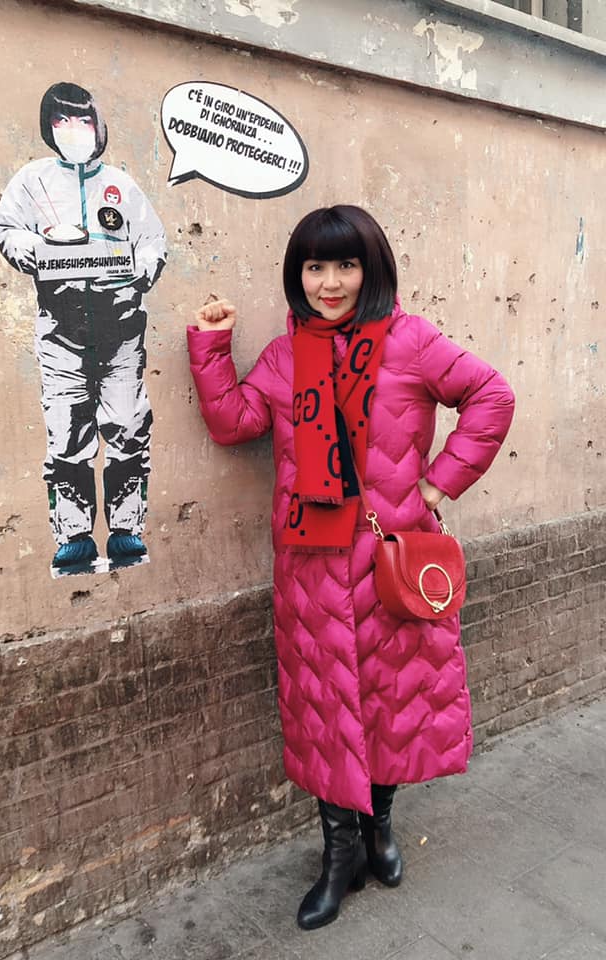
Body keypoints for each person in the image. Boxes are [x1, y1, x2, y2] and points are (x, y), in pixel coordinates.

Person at [187, 205, 515, 930]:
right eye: (314, 267)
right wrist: (211, 345)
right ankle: (338, 856)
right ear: (297, 275)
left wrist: (437, 485)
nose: (329, 283)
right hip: (309, 572)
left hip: (390, 566)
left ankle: (380, 830)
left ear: (372, 271)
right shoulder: (285, 356)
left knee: (391, 705)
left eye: (345, 265)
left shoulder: (410, 340)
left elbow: (491, 395)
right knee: (325, 713)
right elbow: (236, 422)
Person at [0, 82, 166, 574]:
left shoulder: (121, 185)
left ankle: (126, 529)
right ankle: (74, 536)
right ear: (49, 127)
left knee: (128, 428)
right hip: (62, 331)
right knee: (68, 435)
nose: (73, 130)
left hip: (121, 329)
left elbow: (153, 242)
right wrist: (39, 252)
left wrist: (137, 271)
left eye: (82, 121)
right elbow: (7, 231)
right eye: (62, 121)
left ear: (97, 126)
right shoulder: (33, 181)